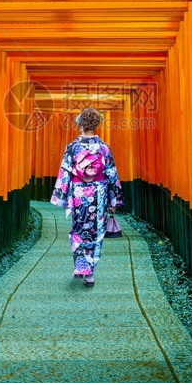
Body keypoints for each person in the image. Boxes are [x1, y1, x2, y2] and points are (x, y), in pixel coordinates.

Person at [50, 107, 123, 287]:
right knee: (96, 232)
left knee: (78, 229)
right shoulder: (104, 148)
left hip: (78, 193)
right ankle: (90, 273)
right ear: (96, 125)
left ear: (80, 124)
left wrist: (62, 196)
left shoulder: (73, 147)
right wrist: (114, 199)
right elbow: (111, 173)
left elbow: (66, 171)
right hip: (99, 193)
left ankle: (80, 266)